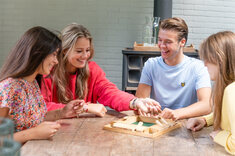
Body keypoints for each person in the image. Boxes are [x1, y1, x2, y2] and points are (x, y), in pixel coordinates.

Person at [41, 23, 161, 117]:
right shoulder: (48, 72)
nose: (85, 56)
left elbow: (109, 92)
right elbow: (43, 107)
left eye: (87, 50)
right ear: (64, 50)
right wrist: (85, 108)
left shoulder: (92, 69)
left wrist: (135, 102)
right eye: (79, 51)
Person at [0, 26, 84, 144]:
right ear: (38, 54)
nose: (56, 61)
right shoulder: (9, 88)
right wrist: (33, 133)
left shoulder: (32, 83)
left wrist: (62, 112)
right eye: (54, 54)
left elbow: (31, 120)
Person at [136, 17, 211, 120]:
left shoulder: (198, 67)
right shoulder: (151, 64)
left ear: (182, 42)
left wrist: (177, 113)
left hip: (185, 123)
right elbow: (140, 99)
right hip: (157, 121)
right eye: (160, 40)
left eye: (168, 42)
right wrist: (147, 108)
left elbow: (207, 104)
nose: (162, 45)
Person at [186, 31, 235, 155]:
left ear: (220, 60)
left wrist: (220, 136)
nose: (204, 64)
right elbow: (228, 115)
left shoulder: (231, 91)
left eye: (208, 58)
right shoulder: (228, 87)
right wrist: (205, 120)